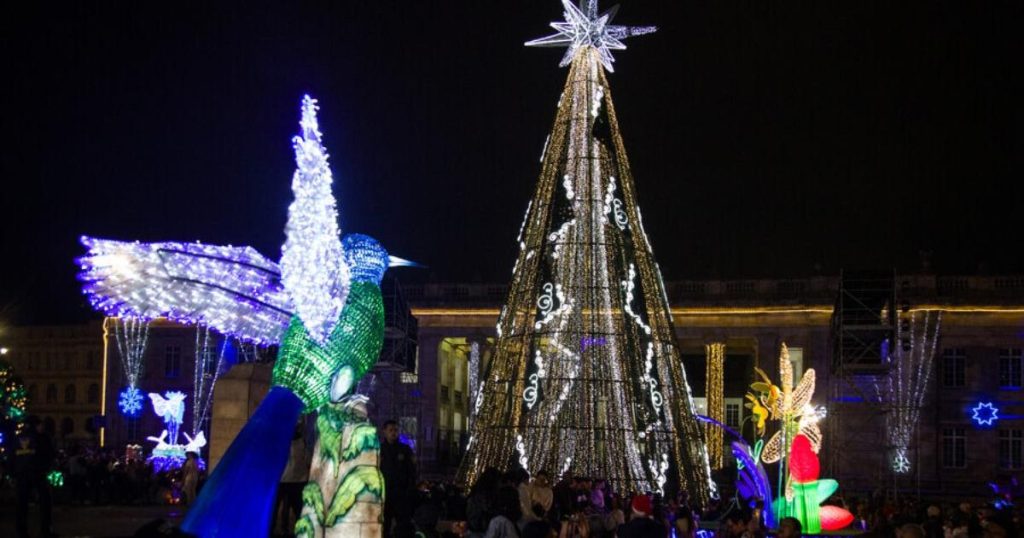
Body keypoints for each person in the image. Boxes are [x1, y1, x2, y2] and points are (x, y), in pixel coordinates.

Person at [13, 415, 56, 538]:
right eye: (40, 424)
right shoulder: (42, 437)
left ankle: (22, 531)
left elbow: (11, 457)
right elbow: (50, 454)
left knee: (22, 504)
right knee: (45, 502)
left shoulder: (17, 438)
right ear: (36, 425)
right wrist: (46, 468)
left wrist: (14, 472)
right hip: (38, 473)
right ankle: (45, 530)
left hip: (22, 475)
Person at [380, 419, 417, 538]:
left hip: (401, 495)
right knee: (384, 526)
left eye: (395, 430)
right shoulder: (378, 450)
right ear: (384, 431)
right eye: (390, 430)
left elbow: (412, 472)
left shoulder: (405, 450)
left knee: (403, 526)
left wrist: (410, 491)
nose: (393, 433)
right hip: (385, 495)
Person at [273, 423, 309, 536]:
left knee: (296, 509)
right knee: (288, 509)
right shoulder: (298, 441)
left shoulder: (300, 441)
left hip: (294, 480)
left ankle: (290, 530)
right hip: (289, 480)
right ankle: (282, 530)